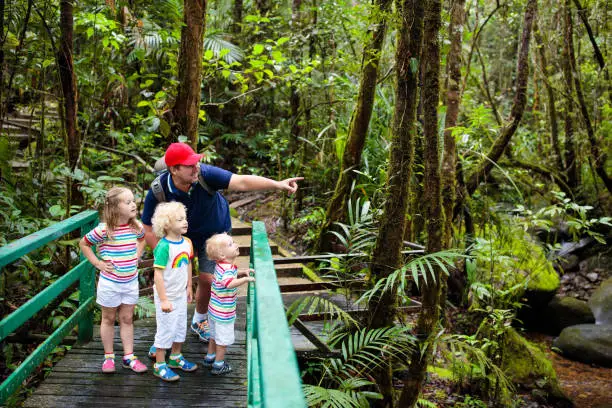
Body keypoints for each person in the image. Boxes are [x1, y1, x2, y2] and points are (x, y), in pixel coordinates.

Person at [142, 142, 301, 356]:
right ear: (174, 169)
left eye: (196, 162)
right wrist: (165, 253)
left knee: (209, 280)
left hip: (214, 233)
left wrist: (277, 184)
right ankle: (165, 335)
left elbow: (241, 181)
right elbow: (147, 228)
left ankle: (199, 320)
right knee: (174, 283)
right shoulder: (158, 190)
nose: (196, 167)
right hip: (179, 238)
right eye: (189, 165)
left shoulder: (206, 174)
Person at [79, 187, 148, 374]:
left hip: (130, 281)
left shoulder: (137, 226)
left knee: (126, 318)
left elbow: (142, 240)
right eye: (128, 202)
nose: (133, 204)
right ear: (115, 208)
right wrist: (97, 263)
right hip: (110, 282)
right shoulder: (104, 230)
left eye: (133, 200)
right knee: (108, 318)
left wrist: (137, 256)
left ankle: (129, 357)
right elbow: (84, 243)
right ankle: (109, 356)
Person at [150, 201, 198, 381]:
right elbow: (158, 275)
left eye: (185, 218)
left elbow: (188, 263)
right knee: (165, 330)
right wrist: (163, 300)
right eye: (179, 220)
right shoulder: (163, 247)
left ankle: (175, 357)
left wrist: (189, 286)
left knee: (179, 327)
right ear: (167, 224)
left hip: (180, 294)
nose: (185, 222)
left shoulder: (187, 242)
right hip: (166, 295)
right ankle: (159, 364)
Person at [203, 233, 255, 375]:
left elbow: (230, 274)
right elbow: (229, 283)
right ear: (222, 254)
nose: (236, 244)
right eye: (231, 244)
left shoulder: (222, 266)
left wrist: (242, 272)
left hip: (214, 309)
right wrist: (245, 280)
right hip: (223, 312)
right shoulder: (226, 269)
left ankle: (210, 357)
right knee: (222, 340)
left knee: (214, 335)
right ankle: (219, 365)